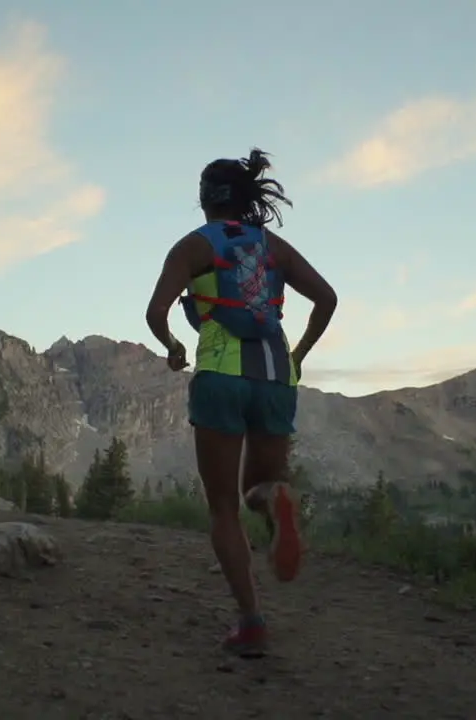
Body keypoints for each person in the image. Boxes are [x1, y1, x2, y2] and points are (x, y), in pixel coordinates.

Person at [143, 147, 338, 657]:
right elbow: (327, 298)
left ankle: (251, 622)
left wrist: (173, 346)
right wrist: (298, 353)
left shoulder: (192, 247)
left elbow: (156, 311)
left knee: (223, 506)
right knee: (263, 484)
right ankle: (276, 501)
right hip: (276, 374)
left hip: (220, 376)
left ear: (205, 200)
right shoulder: (275, 248)